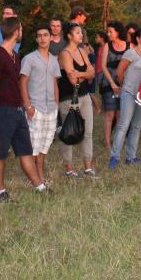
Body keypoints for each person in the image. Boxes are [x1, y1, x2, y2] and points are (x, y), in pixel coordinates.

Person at [0, 16, 47, 202]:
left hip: (18, 110)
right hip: (3, 111)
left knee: (25, 150)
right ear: (15, 31)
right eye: (21, 29)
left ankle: (40, 188)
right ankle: (0, 192)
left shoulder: (15, 55)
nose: (22, 32)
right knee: (0, 152)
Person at [20, 25, 61, 185]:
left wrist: (57, 105)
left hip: (51, 108)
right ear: (36, 39)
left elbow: (55, 83)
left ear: (51, 37)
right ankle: (34, 177)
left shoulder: (54, 60)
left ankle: (40, 173)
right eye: (40, 35)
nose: (43, 38)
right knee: (33, 144)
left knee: (45, 143)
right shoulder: (29, 59)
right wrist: (28, 106)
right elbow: (22, 83)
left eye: (46, 35)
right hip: (35, 107)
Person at [58, 23, 98, 178]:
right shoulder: (64, 53)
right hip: (69, 98)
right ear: (69, 35)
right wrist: (85, 74)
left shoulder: (82, 51)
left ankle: (88, 168)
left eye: (81, 32)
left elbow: (92, 73)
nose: (81, 35)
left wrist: (80, 74)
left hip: (84, 96)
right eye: (77, 32)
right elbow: (71, 79)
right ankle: (69, 169)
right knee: (69, 132)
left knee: (88, 132)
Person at [109, 27, 141, 169]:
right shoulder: (131, 53)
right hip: (129, 92)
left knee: (136, 126)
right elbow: (119, 71)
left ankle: (131, 156)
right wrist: (124, 86)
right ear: (138, 39)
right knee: (123, 125)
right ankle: (115, 157)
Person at [99, 21, 127, 151]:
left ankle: (118, 140)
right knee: (110, 114)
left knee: (120, 114)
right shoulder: (107, 46)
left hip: (124, 83)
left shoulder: (128, 46)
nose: (108, 34)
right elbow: (103, 66)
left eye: (111, 31)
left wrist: (122, 83)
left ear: (118, 32)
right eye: (108, 31)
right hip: (108, 83)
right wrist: (112, 83)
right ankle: (107, 142)